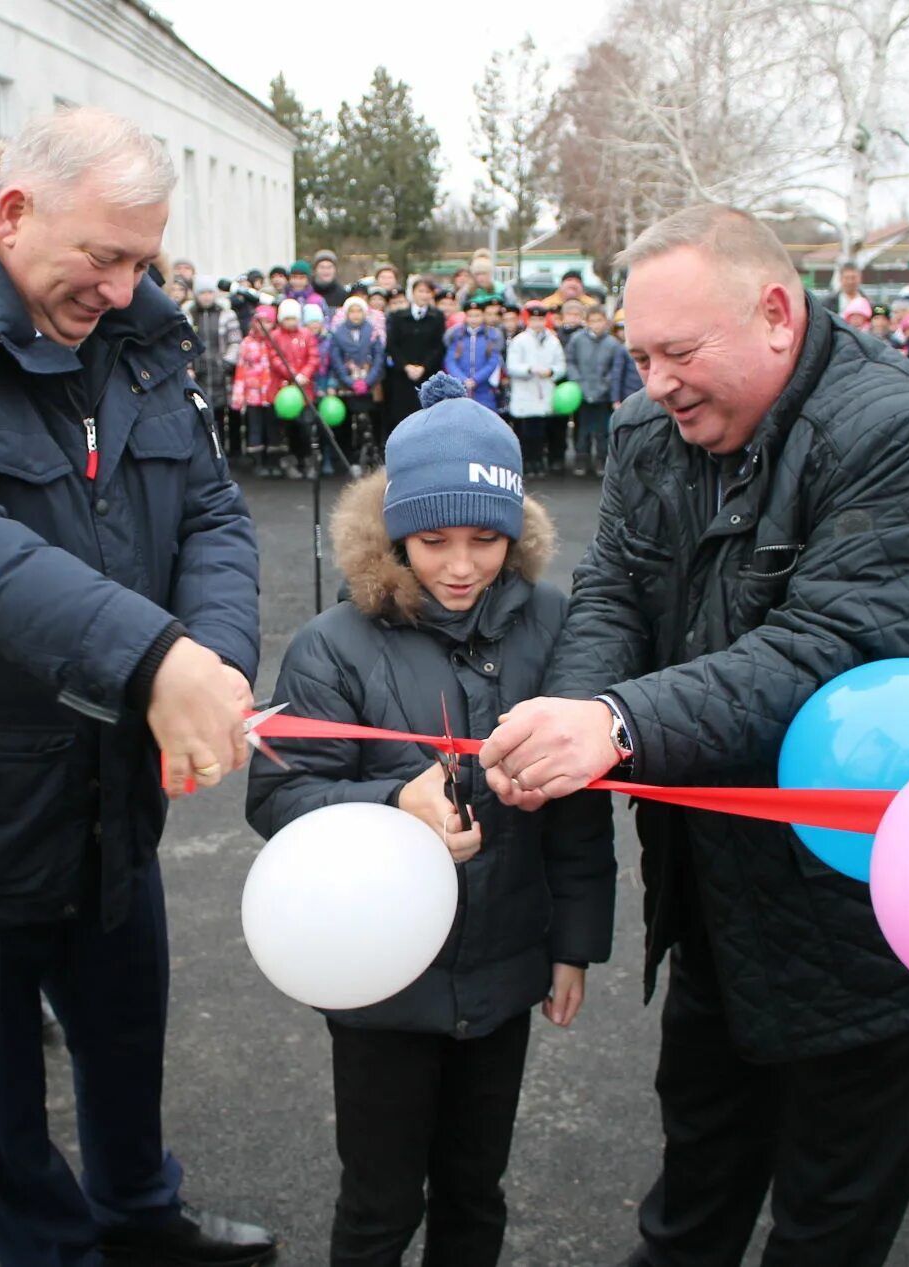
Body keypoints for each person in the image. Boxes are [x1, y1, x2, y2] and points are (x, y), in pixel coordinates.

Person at [476, 205, 909, 1267]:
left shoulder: (894, 435)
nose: (656, 382)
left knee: (827, 1218)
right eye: (637, 354)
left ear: (774, 313)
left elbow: (830, 651)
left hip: (874, 894)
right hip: (720, 884)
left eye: (678, 352)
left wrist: (616, 725)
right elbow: (614, 594)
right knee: (698, 1175)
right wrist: (567, 722)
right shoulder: (645, 433)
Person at [0, 113, 273, 1267]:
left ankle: (136, 1213)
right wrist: (154, 659)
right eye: (101, 259)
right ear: (11, 216)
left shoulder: (143, 341)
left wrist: (206, 655)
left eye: (142, 261)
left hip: (112, 785)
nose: (120, 290)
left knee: (124, 1034)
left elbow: (207, 507)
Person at [245, 376, 615, 1267]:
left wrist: (574, 941)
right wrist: (388, 803)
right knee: (377, 1203)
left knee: (474, 1191)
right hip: (380, 984)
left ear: (516, 534)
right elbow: (279, 798)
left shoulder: (555, 624)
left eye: (485, 539)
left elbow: (580, 804)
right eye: (433, 539)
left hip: (504, 965)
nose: (459, 565)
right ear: (391, 533)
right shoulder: (331, 645)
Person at [385, 276, 449, 443]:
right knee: (402, 415)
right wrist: (406, 366)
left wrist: (424, 367)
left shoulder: (437, 317)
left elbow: (439, 346)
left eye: (428, 291)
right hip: (403, 375)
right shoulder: (399, 316)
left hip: (427, 374)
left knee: (427, 414)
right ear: (412, 293)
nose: (424, 295)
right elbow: (392, 344)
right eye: (420, 291)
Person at [506, 302, 567, 476]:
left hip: (544, 390)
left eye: (541, 319)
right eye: (534, 319)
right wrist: (529, 369)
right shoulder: (520, 341)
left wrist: (552, 372)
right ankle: (527, 461)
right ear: (528, 320)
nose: (537, 323)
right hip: (525, 390)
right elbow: (512, 366)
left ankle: (539, 460)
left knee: (540, 430)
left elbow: (561, 365)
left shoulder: (553, 341)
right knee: (525, 431)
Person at [565, 304, 623, 477]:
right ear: (586, 322)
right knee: (582, 430)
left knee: (601, 431)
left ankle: (601, 460)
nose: (596, 324)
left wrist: (604, 386)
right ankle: (581, 460)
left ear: (606, 322)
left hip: (602, 395)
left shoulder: (612, 344)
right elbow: (570, 361)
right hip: (581, 393)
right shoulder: (577, 340)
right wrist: (577, 382)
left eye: (600, 320)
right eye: (593, 321)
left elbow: (615, 370)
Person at [187, 276, 242, 455]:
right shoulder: (188, 315)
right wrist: (189, 366)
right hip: (199, 373)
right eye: (202, 293)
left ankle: (231, 451)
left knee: (224, 411)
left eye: (210, 293)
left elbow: (235, 341)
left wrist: (228, 361)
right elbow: (183, 344)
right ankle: (206, 451)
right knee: (201, 412)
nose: (206, 297)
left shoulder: (227, 314)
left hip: (222, 372)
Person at [328, 294, 385, 469]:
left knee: (368, 421)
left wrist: (368, 381)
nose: (355, 314)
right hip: (346, 383)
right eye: (351, 311)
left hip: (368, 382)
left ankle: (371, 456)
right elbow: (335, 359)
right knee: (347, 422)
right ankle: (349, 458)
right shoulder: (338, 333)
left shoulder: (372, 331)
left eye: (359, 310)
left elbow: (378, 357)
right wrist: (348, 380)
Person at [271, 297, 323, 478]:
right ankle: (291, 460)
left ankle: (309, 460)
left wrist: (305, 374)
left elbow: (314, 357)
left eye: (294, 318)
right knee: (288, 428)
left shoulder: (307, 335)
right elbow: (275, 358)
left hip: (305, 390)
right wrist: (291, 373)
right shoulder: (276, 336)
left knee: (307, 426)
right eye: (287, 319)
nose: (291, 322)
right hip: (285, 390)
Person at [233, 303, 280, 478]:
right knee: (255, 428)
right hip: (253, 394)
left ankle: (273, 461)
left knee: (272, 428)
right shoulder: (247, 343)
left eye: (267, 322)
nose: (263, 326)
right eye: (260, 322)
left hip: (272, 393)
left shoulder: (275, 341)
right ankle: (257, 461)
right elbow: (241, 369)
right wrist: (238, 395)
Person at [445, 299, 503, 412]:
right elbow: (450, 361)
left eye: (477, 315)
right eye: (470, 316)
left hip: (484, 388)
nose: (474, 319)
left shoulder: (492, 335)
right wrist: (463, 379)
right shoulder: (456, 334)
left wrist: (476, 379)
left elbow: (493, 361)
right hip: (460, 387)